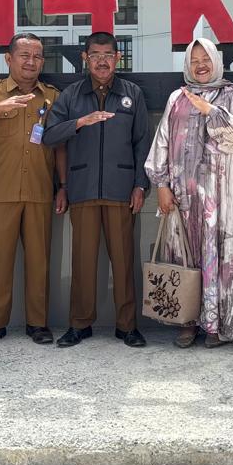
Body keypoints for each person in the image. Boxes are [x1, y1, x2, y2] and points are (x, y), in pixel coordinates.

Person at [43, 32, 151, 349]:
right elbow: (49, 136)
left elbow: (142, 143)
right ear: (85, 58)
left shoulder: (132, 93)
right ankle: (80, 324)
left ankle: (127, 326)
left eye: (107, 55)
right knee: (83, 261)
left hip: (121, 189)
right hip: (83, 187)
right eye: (95, 55)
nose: (101, 61)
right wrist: (80, 122)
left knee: (124, 261)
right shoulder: (71, 95)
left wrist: (140, 185)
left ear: (118, 58)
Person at [146, 38, 233, 348]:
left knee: (219, 253)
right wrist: (162, 185)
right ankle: (187, 321)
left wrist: (210, 110)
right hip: (183, 195)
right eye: (194, 61)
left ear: (216, 61)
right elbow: (162, 142)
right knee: (185, 253)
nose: (200, 65)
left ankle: (218, 325)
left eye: (205, 59)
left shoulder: (231, 93)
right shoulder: (177, 97)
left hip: (220, 194)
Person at [0, 33, 66, 347]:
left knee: (39, 260)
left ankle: (38, 323)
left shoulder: (52, 97)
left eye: (37, 56)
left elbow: (61, 145)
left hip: (39, 190)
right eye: (24, 55)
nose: (31, 62)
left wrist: (63, 186)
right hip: (0, 191)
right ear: (8, 59)